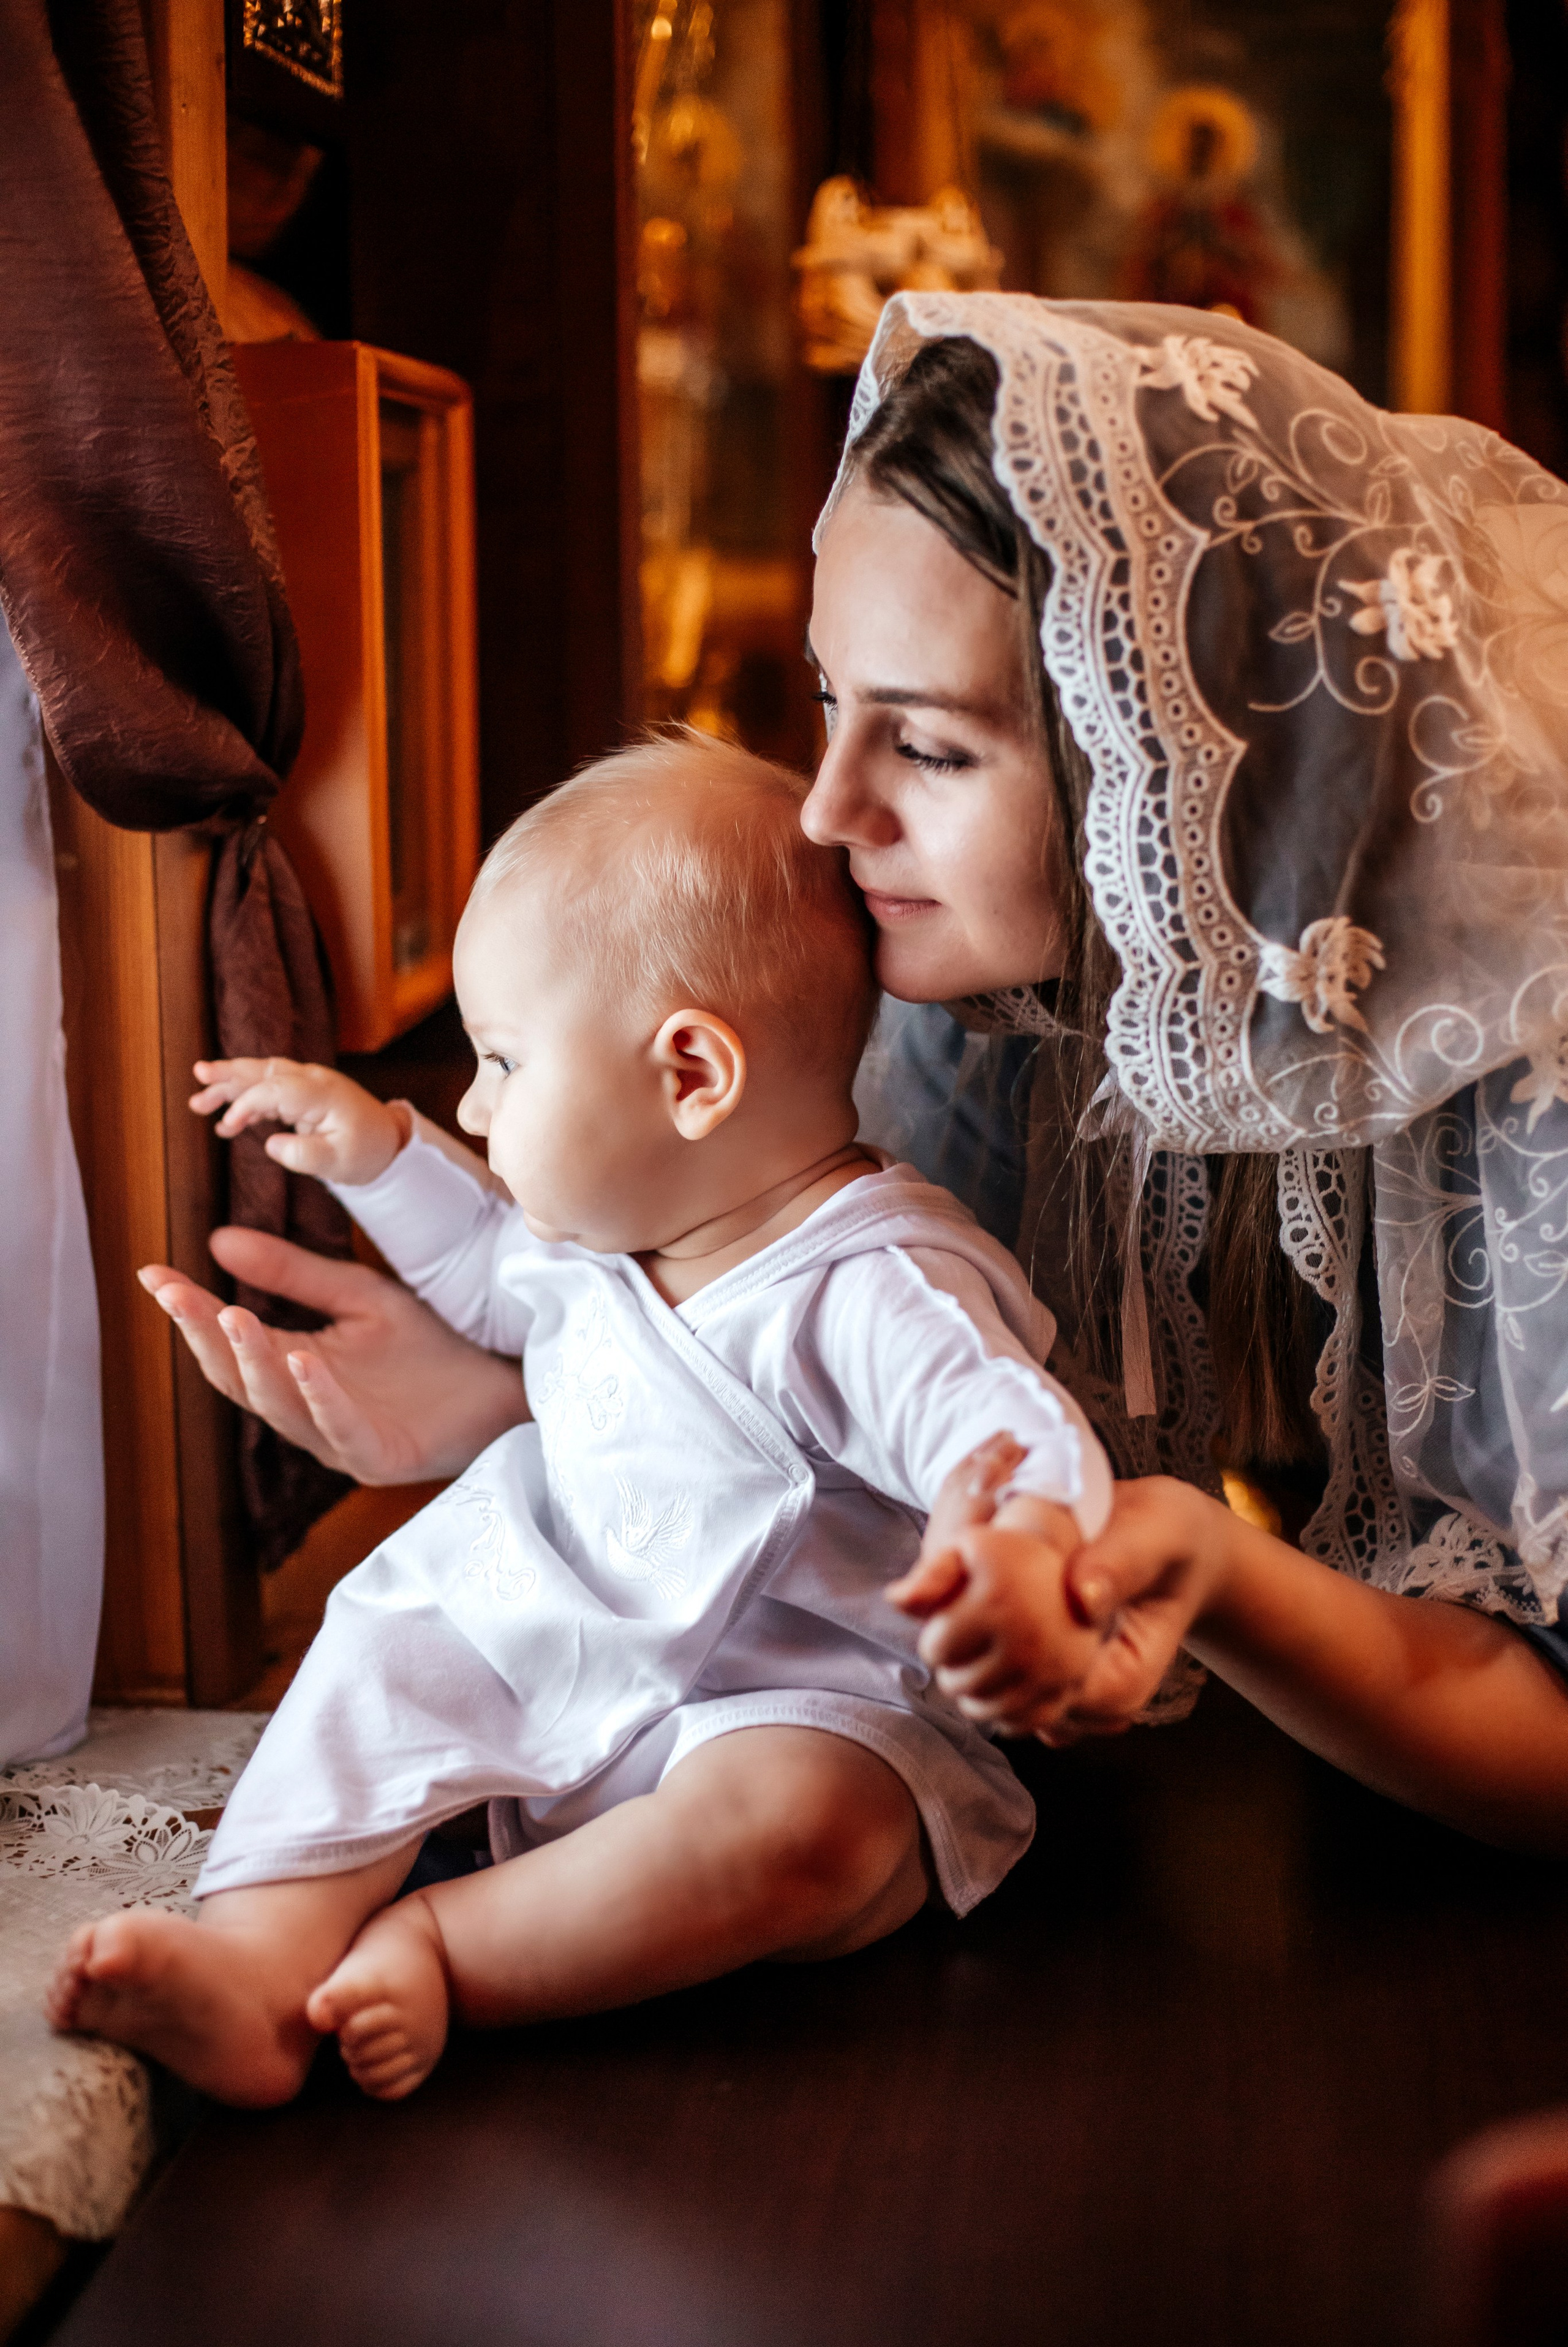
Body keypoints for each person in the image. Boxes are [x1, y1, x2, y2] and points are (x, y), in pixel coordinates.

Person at [139, 293, 1568, 1855]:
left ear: (1176, 760)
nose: (825, 811)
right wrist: (512, 1402)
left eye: (932, 748)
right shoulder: (968, 1002)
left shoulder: (1527, 1100)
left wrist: (1203, 1567)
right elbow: (852, 1403)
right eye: (830, 701)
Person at [48, 733, 1113, 2105]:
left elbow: (993, 1419)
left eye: (501, 1061)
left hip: (782, 1709)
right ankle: (256, 1966)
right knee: (378, 1655)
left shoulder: (867, 1283)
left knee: (812, 1828)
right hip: (537, 1633)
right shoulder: (608, 1237)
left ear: (690, 1076)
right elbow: (486, 1262)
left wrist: (1015, 1535)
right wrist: (378, 1155)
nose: (473, 1103)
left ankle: (451, 1945)